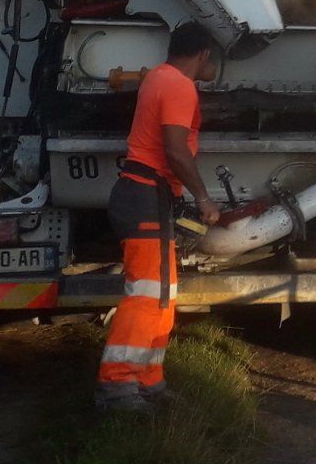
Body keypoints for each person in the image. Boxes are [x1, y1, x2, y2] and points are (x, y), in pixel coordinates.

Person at [96, 21, 224, 411]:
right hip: (145, 196)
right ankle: (117, 387)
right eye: (212, 59)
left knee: (163, 297)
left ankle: (148, 381)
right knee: (147, 296)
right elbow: (175, 148)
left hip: (147, 195)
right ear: (202, 54)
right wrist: (203, 197)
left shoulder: (158, 77)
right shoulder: (179, 86)